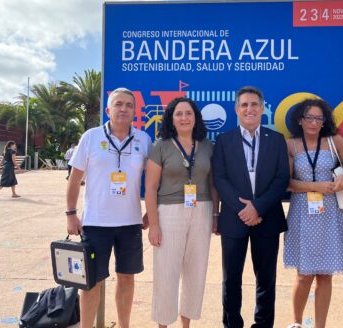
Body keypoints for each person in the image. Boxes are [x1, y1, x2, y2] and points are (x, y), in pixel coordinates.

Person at [66, 87, 152, 328]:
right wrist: (71, 214)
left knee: (127, 279)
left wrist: (150, 213)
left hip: (130, 223)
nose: (123, 109)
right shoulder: (91, 137)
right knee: (92, 282)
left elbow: (156, 181)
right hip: (95, 223)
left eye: (128, 105)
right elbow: (74, 179)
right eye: (118, 104)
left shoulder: (144, 140)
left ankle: (124, 325)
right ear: (108, 110)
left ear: (135, 111)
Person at [212, 86, 290, 328]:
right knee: (231, 279)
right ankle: (232, 323)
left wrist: (257, 207)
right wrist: (242, 209)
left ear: (262, 108)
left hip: (267, 218)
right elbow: (220, 178)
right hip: (235, 219)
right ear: (236, 109)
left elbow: (282, 178)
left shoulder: (276, 140)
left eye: (254, 104)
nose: (249, 109)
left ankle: (263, 324)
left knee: (266, 279)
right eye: (244, 104)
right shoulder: (224, 140)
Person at [145, 97, 219, 328]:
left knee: (195, 271)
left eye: (188, 113)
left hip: (202, 210)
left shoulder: (207, 146)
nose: (184, 118)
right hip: (169, 212)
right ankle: (164, 324)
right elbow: (150, 187)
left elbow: (213, 184)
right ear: (172, 118)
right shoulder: (161, 146)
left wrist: (216, 215)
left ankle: (186, 325)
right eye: (179, 114)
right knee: (166, 272)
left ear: (195, 118)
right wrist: (154, 224)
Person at [284, 99, 343, 328]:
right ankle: (296, 322)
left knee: (325, 275)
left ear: (325, 121)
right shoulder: (291, 145)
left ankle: (320, 326)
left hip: (331, 214)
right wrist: (314, 187)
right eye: (309, 117)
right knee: (304, 274)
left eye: (319, 118)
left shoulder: (335, 141)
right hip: (302, 214)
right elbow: (286, 183)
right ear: (299, 120)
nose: (314, 122)